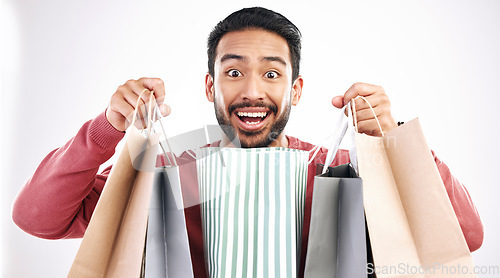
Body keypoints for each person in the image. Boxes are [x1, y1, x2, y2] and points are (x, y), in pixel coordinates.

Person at [12, 6, 483, 277]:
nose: (253, 91)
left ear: (295, 89)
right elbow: (39, 219)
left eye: (272, 74)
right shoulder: (179, 174)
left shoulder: (338, 171)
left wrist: (396, 141)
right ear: (210, 87)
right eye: (233, 72)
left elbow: (463, 238)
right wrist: (107, 129)